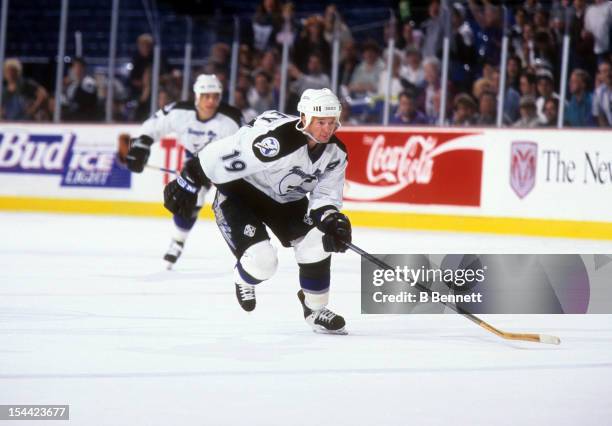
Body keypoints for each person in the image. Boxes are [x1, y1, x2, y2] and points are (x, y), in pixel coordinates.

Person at [163, 88, 351, 334]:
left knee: (318, 241)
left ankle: (315, 310)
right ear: (304, 118)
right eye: (320, 122)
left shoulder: (336, 153)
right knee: (263, 263)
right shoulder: (276, 141)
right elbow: (225, 152)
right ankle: (243, 278)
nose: (326, 129)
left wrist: (331, 220)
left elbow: (326, 196)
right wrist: (189, 178)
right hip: (241, 194)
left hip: (286, 201)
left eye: (331, 122)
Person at [126, 74, 241, 268]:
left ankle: (246, 251)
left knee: (236, 207)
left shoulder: (231, 120)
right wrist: (141, 146)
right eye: (206, 96)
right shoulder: (179, 112)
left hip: (226, 164)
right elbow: (153, 126)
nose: (211, 101)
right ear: (197, 96)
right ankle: (178, 241)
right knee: (187, 197)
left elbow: (243, 148)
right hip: (194, 163)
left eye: (215, 96)